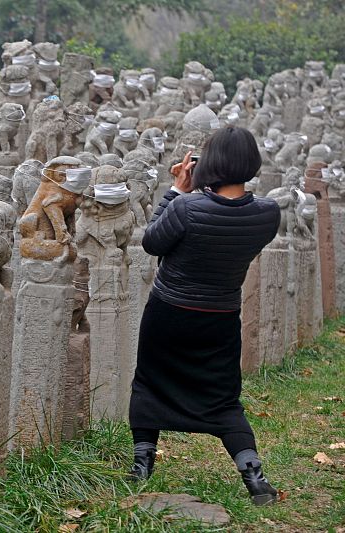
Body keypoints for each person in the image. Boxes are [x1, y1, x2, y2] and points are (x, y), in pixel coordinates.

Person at [128, 127, 281, 505]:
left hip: (169, 313)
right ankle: (253, 474)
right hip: (220, 317)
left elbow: (151, 242)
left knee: (149, 383)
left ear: (207, 164)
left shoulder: (186, 207)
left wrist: (177, 190)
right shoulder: (268, 214)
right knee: (223, 398)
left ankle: (142, 463)